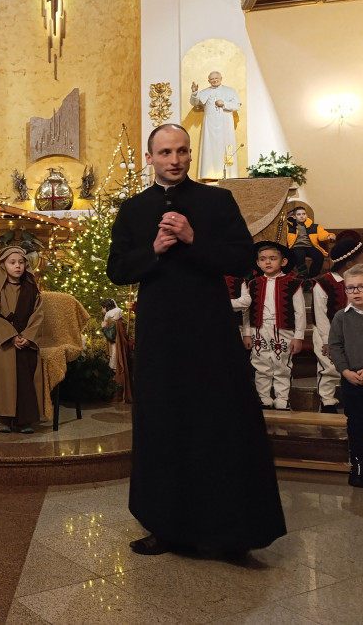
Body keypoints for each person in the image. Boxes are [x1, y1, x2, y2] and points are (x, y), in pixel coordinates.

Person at [106, 123, 285, 556]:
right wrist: (155, 249)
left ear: (189, 154)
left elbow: (244, 260)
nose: (175, 159)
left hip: (209, 332)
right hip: (160, 335)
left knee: (217, 423)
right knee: (163, 425)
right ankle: (164, 526)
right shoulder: (132, 210)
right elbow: (118, 270)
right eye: (165, 152)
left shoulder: (217, 201)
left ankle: (227, 531)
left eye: (182, 151)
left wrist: (191, 239)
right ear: (150, 158)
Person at [0, 246, 43, 434]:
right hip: (2, 341)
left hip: (25, 340)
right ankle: (3, 419)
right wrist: (11, 336)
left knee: (24, 379)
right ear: (4, 265)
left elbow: (38, 314)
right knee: (3, 380)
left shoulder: (31, 289)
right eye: (12, 262)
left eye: (21, 262)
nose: (17, 266)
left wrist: (28, 337)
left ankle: (24, 420)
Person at [232, 242, 305, 410]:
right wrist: (247, 333)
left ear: (283, 261)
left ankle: (282, 399)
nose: (268, 262)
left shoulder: (293, 283)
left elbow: (300, 312)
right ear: (257, 263)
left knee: (282, 365)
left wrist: (298, 336)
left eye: (273, 258)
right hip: (259, 329)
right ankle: (264, 398)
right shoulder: (254, 284)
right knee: (261, 364)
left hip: (283, 329)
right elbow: (246, 311)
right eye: (263, 259)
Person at [311, 239, 363, 413]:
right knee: (328, 367)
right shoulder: (323, 283)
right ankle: (327, 401)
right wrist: (326, 340)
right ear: (350, 263)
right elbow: (320, 315)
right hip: (328, 331)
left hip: (354, 332)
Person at [328, 263, 363, 488]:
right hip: (351, 380)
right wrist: (345, 371)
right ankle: (358, 466)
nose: (355, 292)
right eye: (350, 288)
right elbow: (335, 346)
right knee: (355, 423)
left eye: (362, 287)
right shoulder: (341, 317)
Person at [188, 72, 242, 181]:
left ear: (221, 78)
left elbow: (237, 106)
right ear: (208, 81)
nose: (214, 80)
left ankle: (229, 175)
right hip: (210, 125)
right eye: (211, 79)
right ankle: (210, 175)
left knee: (225, 147)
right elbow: (195, 103)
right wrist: (194, 92)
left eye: (216, 78)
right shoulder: (205, 92)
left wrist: (224, 103)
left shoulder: (230, 91)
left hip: (225, 124)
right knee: (209, 147)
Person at [286, 205, 335, 277]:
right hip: (296, 246)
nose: (301, 216)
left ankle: (312, 276)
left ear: (306, 215)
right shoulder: (289, 226)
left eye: (303, 214)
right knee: (299, 255)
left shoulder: (314, 226)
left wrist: (329, 236)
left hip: (310, 246)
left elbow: (322, 235)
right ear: (294, 216)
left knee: (319, 256)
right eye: (299, 214)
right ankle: (303, 275)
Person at [101, 298, 133, 403]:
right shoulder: (117, 319)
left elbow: (111, 336)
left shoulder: (112, 321)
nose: (102, 310)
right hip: (118, 348)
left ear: (106, 308)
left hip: (116, 349)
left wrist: (104, 328)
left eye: (103, 308)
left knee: (115, 369)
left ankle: (117, 396)